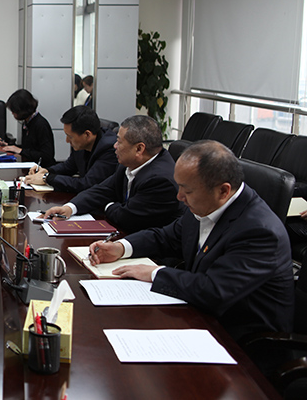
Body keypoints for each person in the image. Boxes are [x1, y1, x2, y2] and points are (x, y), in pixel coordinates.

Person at [88, 140, 294, 342]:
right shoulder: (206, 205)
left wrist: (154, 273)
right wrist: (121, 247)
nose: (179, 197)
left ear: (223, 191)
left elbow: (214, 291)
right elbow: (166, 237)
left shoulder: (259, 231)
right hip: (197, 315)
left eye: (187, 191)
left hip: (240, 340)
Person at [44, 115, 181, 233]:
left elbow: (126, 218)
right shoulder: (129, 163)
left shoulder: (160, 180)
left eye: (119, 142)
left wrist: (108, 205)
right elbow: (103, 190)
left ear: (139, 149)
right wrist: (70, 208)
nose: (115, 146)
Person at [24, 106, 117, 193]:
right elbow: (68, 166)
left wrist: (46, 178)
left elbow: (87, 184)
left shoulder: (109, 149)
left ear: (87, 134)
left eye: (70, 137)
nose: (67, 141)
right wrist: (46, 171)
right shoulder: (82, 144)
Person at [0, 89, 55, 167]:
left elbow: (46, 156)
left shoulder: (41, 125)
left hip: (42, 168)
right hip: (29, 164)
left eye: (14, 111)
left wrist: (20, 150)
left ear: (23, 110)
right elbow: (28, 149)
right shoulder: (27, 122)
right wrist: (7, 145)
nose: (12, 113)